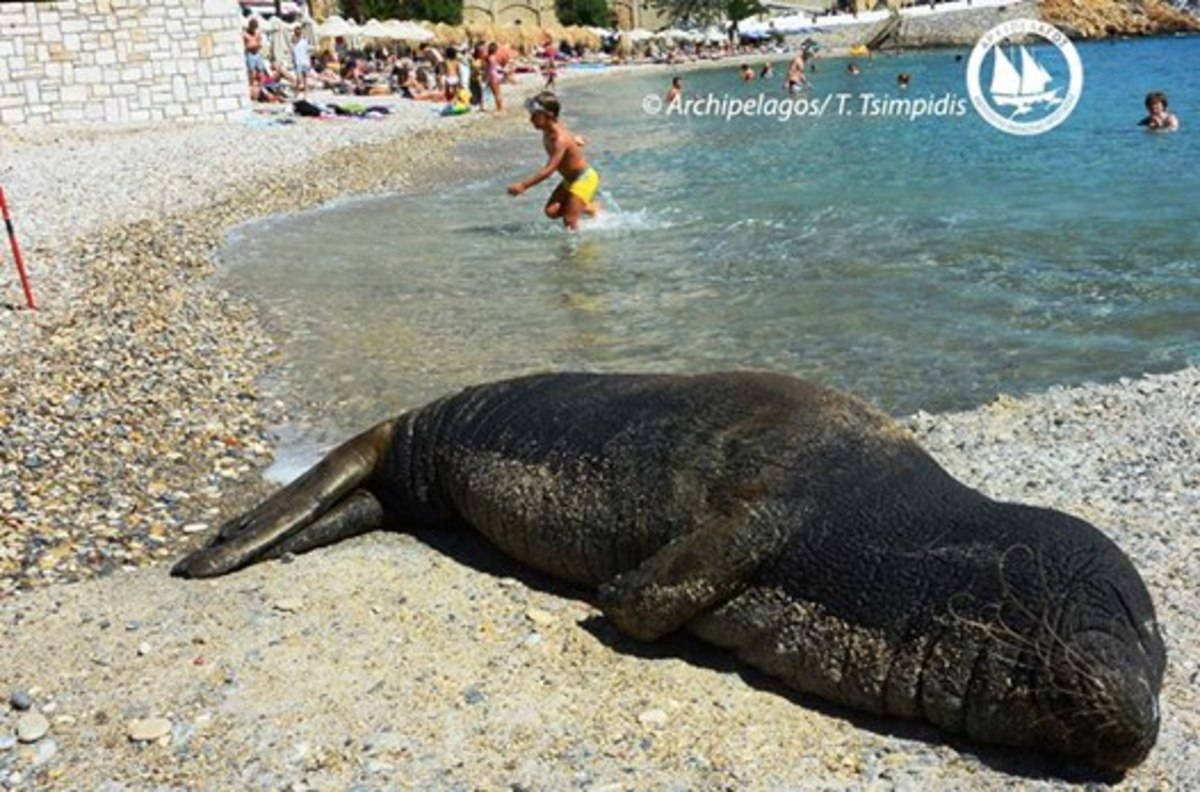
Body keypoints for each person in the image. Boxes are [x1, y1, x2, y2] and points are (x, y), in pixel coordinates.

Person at [507, 91, 600, 231]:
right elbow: (565, 132)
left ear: (549, 115)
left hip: (584, 178)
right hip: (569, 180)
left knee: (569, 221)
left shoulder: (559, 139)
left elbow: (549, 170)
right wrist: (574, 139)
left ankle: (575, 251)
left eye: (535, 116)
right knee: (551, 211)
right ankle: (589, 208)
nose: (531, 120)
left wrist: (523, 185)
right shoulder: (549, 129)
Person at [243, 18, 267, 83]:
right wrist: (249, 47)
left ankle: (262, 85)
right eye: (253, 27)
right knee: (252, 72)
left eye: (255, 28)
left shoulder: (257, 33)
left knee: (261, 70)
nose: (254, 29)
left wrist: (258, 46)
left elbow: (260, 42)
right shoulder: (245, 34)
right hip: (250, 54)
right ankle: (252, 85)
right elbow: (244, 45)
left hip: (257, 53)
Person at [291, 26, 311, 96]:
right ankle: (296, 92)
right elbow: (293, 52)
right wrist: (293, 61)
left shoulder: (304, 41)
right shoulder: (293, 41)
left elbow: (307, 52)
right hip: (298, 62)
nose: (298, 33)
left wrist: (309, 62)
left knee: (305, 78)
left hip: (305, 61)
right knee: (299, 79)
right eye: (297, 32)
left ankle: (306, 93)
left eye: (299, 31)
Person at [486, 42, 504, 113]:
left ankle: (499, 108)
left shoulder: (490, 58)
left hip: (493, 77)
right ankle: (499, 107)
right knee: (497, 93)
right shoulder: (494, 58)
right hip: (495, 76)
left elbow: (488, 69)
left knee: (496, 94)